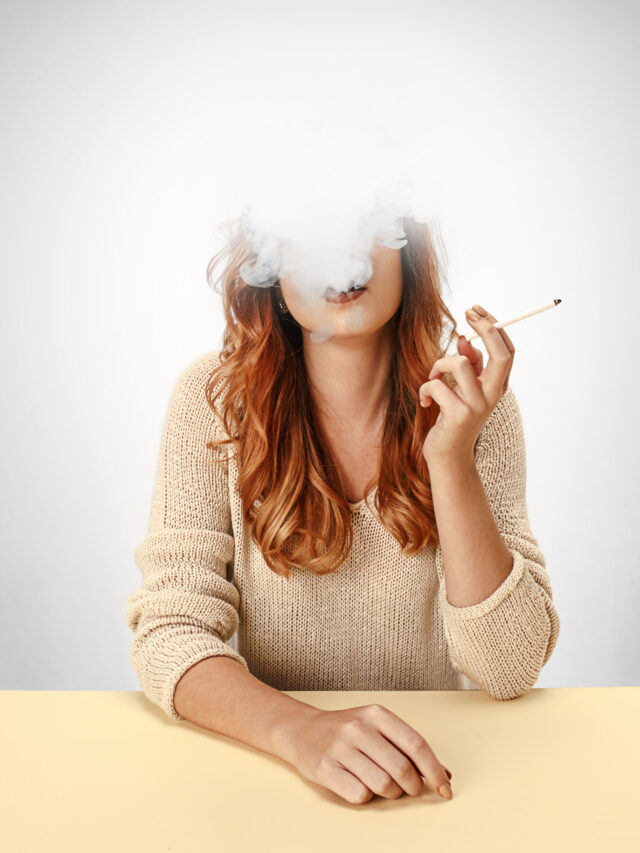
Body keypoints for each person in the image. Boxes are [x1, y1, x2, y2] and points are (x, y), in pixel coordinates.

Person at [126, 215, 560, 805]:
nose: (341, 252)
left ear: (408, 251)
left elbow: (509, 667)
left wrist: (452, 461)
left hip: (432, 782)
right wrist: (298, 729)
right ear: (270, 265)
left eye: (366, 220)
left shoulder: (474, 409)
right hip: (267, 776)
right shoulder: (214, 403)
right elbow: (170, 633)